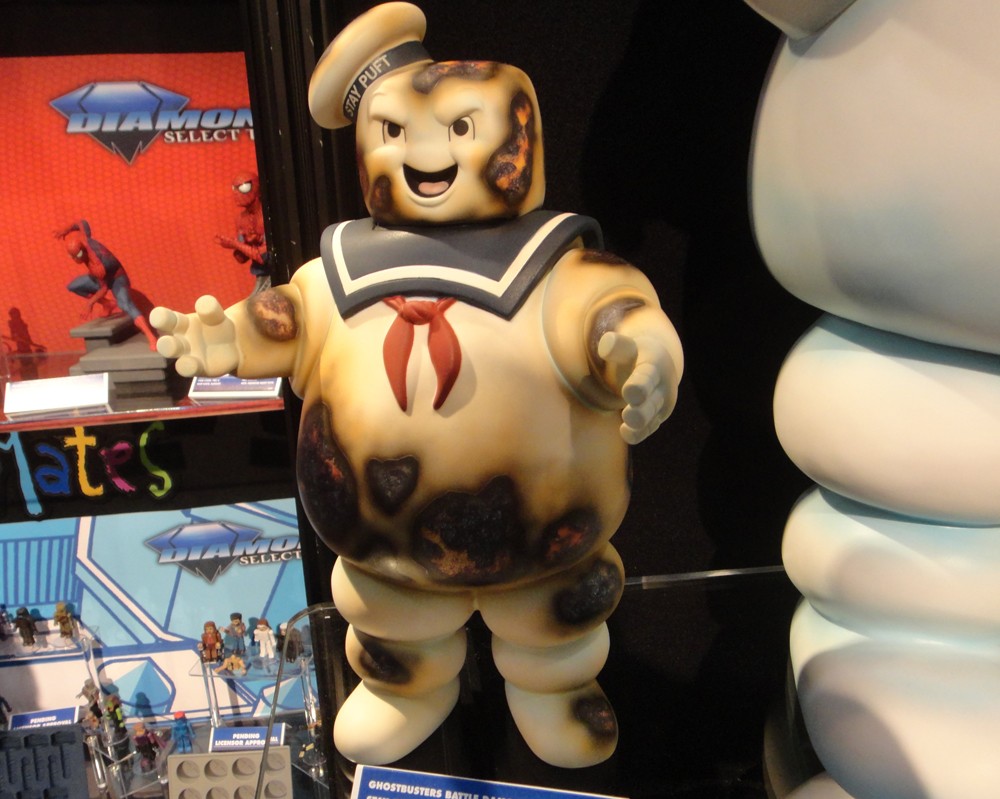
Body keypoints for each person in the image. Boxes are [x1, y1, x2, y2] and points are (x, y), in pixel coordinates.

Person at [54, 219, 157, 349]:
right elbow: (82, 223)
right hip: (101, 278)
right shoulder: (85, 240)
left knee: (125, 304)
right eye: (71, 257)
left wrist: (90, 303)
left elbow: (104, 289)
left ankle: (150, 336)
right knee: (74, 286)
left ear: (83, 251)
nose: (75, 260)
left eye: (78, 255)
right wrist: (67, 229)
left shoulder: (98, 265)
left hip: (117, 280)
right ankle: (108, 304)